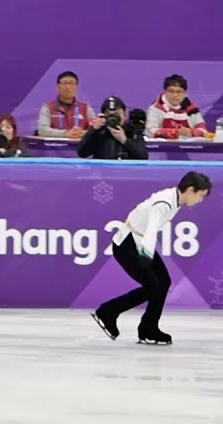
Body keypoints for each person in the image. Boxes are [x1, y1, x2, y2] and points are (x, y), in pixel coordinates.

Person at [91, 171, 212, 346]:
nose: (200, 200)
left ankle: (148, 328)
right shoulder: (163, 204)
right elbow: (151, 230)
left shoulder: (175, 199)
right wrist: (146, 257)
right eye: (200, 196)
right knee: (154, 287)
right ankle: (110, 312)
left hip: (138, 242)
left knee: (163, 282)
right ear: (190, 190)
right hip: (128, 244)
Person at [76, 95, 149, 160]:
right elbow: (82, 153)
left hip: (126, 173)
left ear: (124, 115)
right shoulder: (100, 132)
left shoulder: (133, 130)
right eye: (110, 115)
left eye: (117, 114)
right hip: (103, 173)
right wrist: (93, 130)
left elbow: (143, 156)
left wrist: (125, 141)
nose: (114, 119)